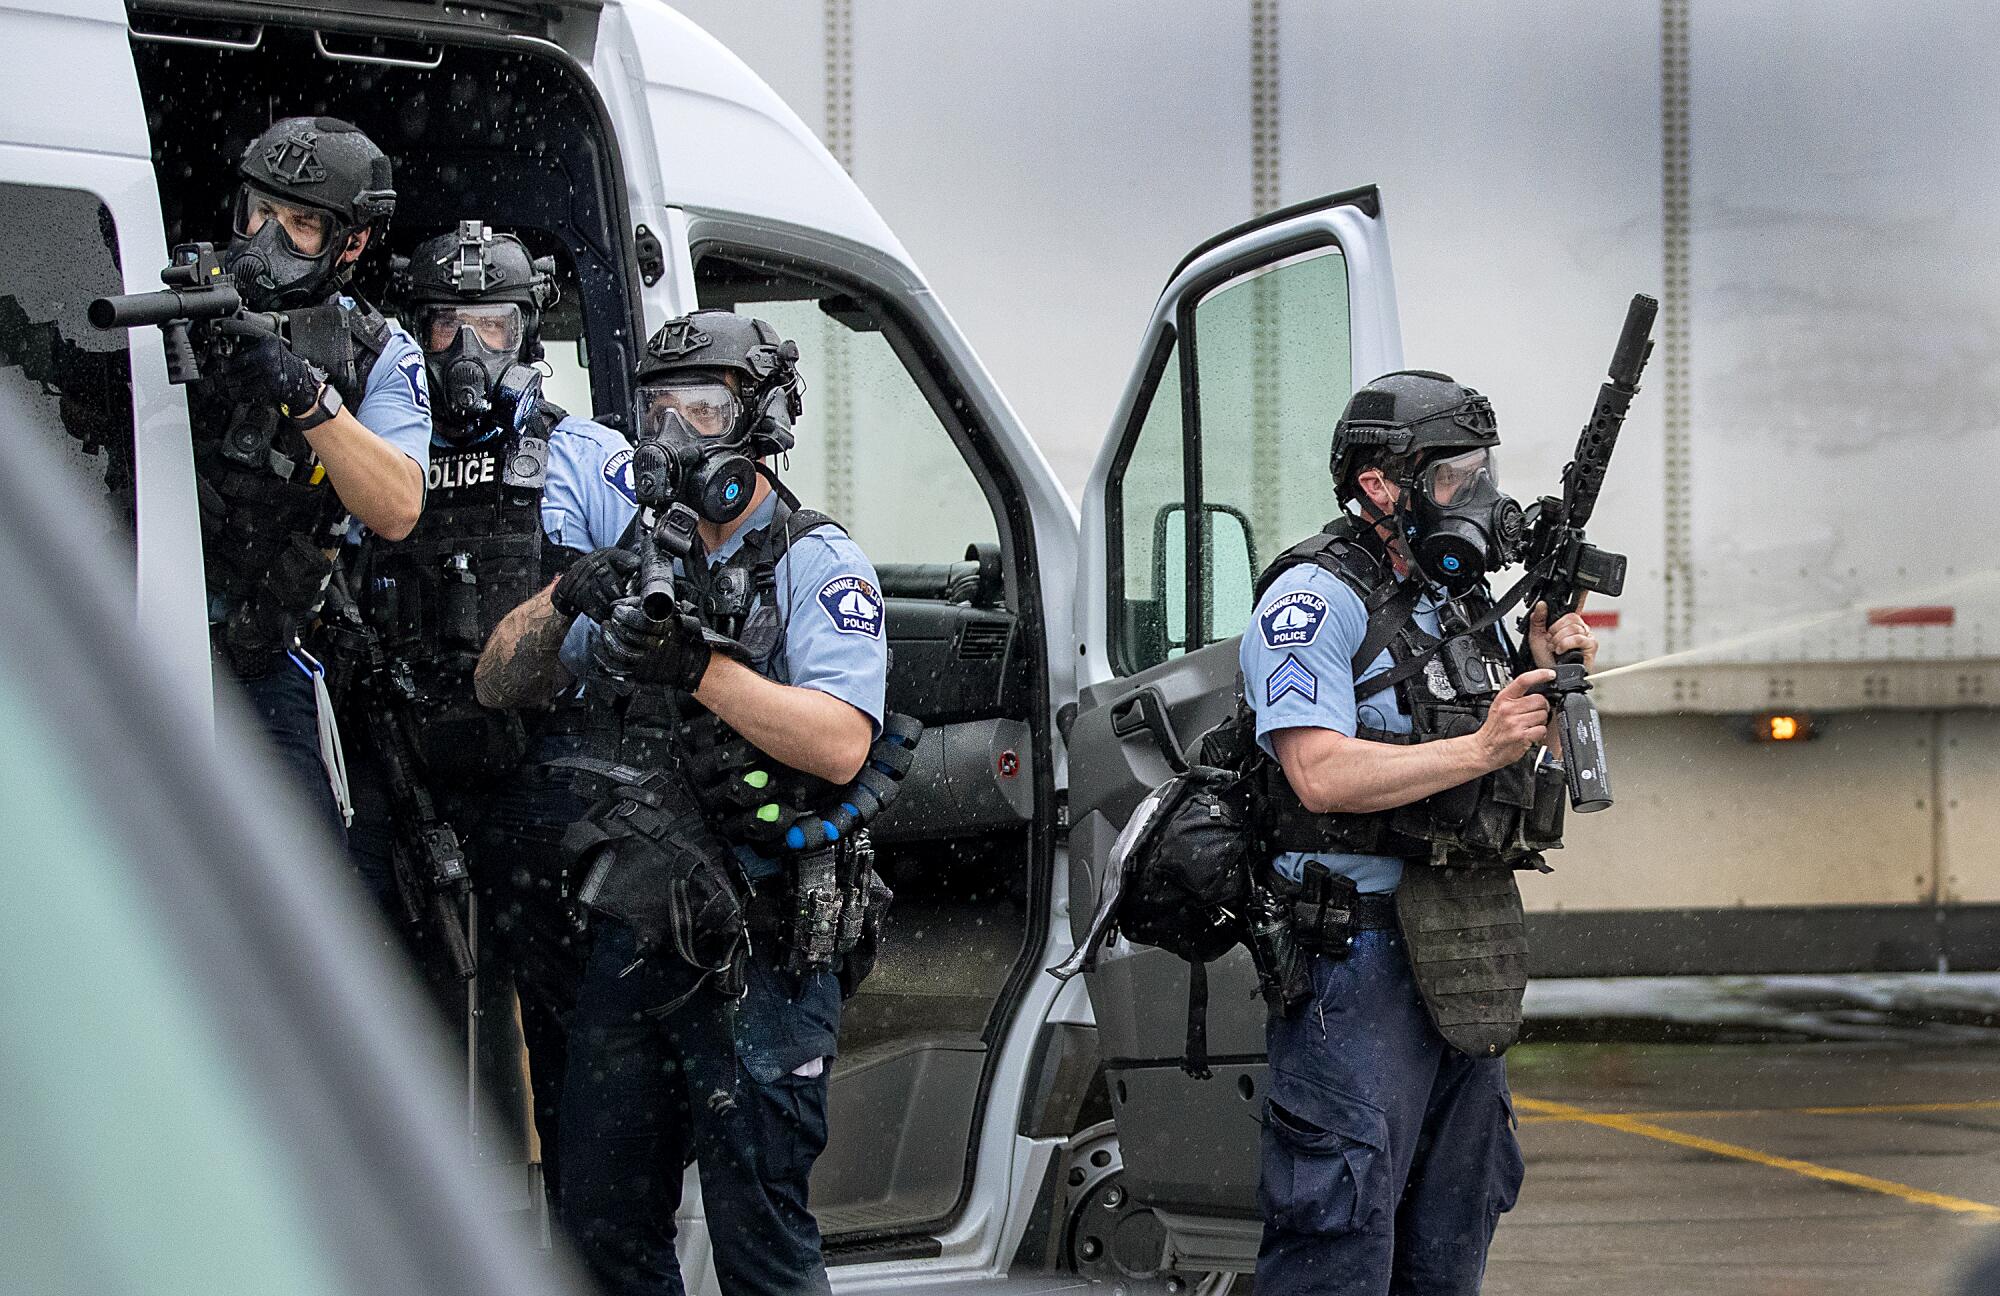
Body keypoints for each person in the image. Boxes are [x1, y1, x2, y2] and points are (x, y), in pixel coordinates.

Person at [475, 309, 894, 1296]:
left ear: (760, 422)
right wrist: (571, 591)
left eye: (703, 409)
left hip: (762, 945)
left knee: (761, 1247)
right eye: (659, 410)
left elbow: (840, 742)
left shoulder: (814, 562)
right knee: (601, 1231)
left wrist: (697, 668)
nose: (675, 433)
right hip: (635, 933)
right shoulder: (643, 555)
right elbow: (498, 681)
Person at [1240, 370, 1598, 1295]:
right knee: (1339, 1237)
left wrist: (1543, 675)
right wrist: (1483, 747)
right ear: (1378, 485)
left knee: (1451, 1233)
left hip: (1461, 945)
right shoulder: (1314, 601)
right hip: (1352, 956)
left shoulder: (1459, 606)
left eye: (1481, 471)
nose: (1475, 497)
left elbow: (1503, 762)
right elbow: (1317, 770)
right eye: (1451, 477)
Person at [327, 221, 638, 1204]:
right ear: (412, 334)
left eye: (493, 327)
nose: (468, 353)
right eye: (446, 327)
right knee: (381, 1027)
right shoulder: (373, 465)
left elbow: (661, 605)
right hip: (400, 772)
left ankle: (582, 1239)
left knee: (569, 1043)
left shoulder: (588, 458)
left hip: (536, 779)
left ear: (528, 331)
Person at [196, 115, 429, 840]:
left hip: (259, 655)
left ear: (351, 242)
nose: (265, 239)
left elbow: (396, 506)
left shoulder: (379, 354)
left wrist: (300, 390)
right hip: (128, 631)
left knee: (293, 892)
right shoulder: (180, 295)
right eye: (258, 211)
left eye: (299, 223)